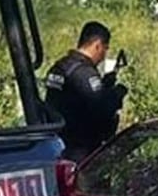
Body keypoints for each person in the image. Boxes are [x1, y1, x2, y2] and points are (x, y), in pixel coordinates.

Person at [44, 21, 128, 161]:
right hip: (81, 150)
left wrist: (105, 84)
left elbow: (75, 97)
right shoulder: (84, 72)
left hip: (59, 144)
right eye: (105, 49)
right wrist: (117, 93)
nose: (103, 56)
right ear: (97, 45)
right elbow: (102, 108)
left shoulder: (60, 67)